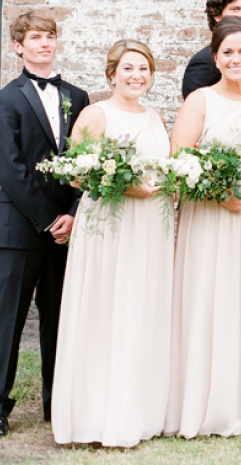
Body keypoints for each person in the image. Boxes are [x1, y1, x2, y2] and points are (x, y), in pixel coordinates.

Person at [52, 40, 173, 447]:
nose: (137, 76)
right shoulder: (96, 114)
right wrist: (125, 185)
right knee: (105, 307)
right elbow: (75, 173)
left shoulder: (156, 118)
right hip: (110, 222)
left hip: (150, 226)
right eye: (128, 68)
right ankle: (94, 413)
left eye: (144, 69)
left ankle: (138, 408)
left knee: (142, 307)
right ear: (112, 74)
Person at [166, 17, 241, 438]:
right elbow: (179, 159)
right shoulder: (200, 101)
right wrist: (220, 194)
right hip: (209, 214)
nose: (236, 59)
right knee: (208, 297)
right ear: (215, 57)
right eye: (227, 52)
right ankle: (200, 401)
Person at [0, 13, 88, 437]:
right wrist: (49, 219)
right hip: (20, 230)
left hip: (67, 230)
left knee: (59, 319)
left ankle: (54, 402)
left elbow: (88, 160)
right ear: (18, 46)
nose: (45, 44)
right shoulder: (4, 99)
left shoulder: (77, 97)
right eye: (35, 38)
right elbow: (9, 169)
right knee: (7, 320)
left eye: (50, 37)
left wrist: (74, 212)